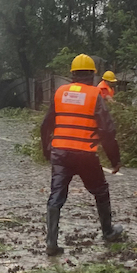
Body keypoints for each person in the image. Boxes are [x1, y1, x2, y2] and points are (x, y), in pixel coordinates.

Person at [40, 53, 125, 257]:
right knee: (101, 191)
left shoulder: (60, 92)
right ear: (93, 76)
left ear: (73, 75)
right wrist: (115, 160)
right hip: (85, 155)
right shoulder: (94, 95)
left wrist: (46, 150)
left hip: (60, 153)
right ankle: (108, 232)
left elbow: (45, 125)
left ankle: (51, 242)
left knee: (56, 196)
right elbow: (107, 130)